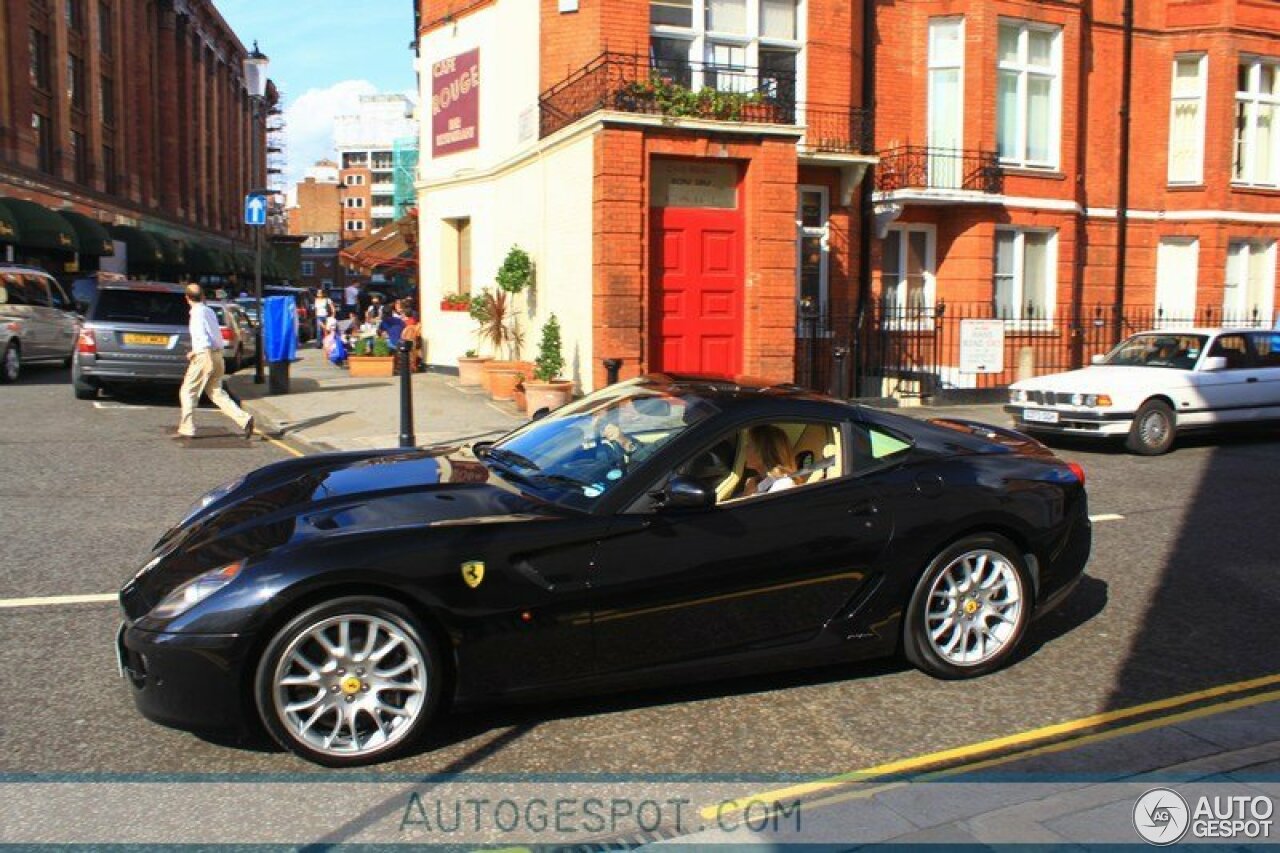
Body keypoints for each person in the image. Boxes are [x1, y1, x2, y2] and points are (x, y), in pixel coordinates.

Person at [178, 284, 254, 440]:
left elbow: (202, 337)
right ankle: (244, 419)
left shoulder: (196, 314)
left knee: (188, 391)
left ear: (187, 298)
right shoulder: (209, 311)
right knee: (216, 392)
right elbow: (215, 337)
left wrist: (201, 355)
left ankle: (188, 427)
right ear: (203, 296)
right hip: (218, 355)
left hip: (204, 356)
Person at [742, 425, 796, 495]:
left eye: (749, 445)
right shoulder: (758, 485)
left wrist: (747, 495)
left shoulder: (782, 485)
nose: (745, 449)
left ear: (762, 452)